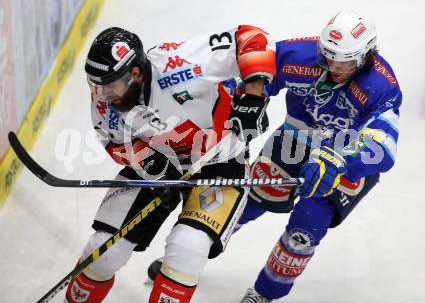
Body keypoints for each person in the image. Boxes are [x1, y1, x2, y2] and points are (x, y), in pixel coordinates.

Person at [65, 25, 275, 303]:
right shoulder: (104, 99)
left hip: (222, 157)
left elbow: (249, 36)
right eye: (94, 84)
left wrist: (253, 97)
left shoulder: (178, 63)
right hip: (159, 157)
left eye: (108, 86)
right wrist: (154, 170)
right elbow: (115, 144)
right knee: (104, 249)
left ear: (135, 74)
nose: (100, 95)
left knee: (189, 246)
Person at [236, 11, 402, 302]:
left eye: (346, 61)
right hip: (295, 138)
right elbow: (255, 69)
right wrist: (240, 98)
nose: (334, 66)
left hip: (344, 158)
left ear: (367, 54)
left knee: (306, 226)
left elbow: (384, 148)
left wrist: (341, 159)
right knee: (247, 201)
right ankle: (197, 246)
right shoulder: (300, 55)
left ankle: (266, 293)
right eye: (327, 56)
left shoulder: (381, 85)